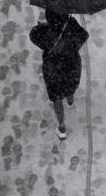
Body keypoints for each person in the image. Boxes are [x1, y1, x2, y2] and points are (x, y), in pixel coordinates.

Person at [29, 10, 89, 140]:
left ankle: (62, 128)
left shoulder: (45, 31)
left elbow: (33, 36)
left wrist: (40, 25)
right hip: (71, 64)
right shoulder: (70, 23)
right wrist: (72, 47)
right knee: (70, 85)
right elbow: (84, 35)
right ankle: (70, 101)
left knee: (56, 97)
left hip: (53, 69)